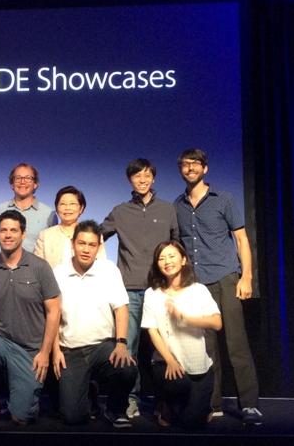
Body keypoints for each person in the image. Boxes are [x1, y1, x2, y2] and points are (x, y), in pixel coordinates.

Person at [174, 149, 262, 425]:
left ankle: (249, 405)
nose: (190, 168)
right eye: (185, 165)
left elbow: (241, 240)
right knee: (207, 347)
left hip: (225, 277)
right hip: (197, 283)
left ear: (205, 168)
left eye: (195, 164)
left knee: (236, 343)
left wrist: (247, 277)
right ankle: (212, 404)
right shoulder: (178, 205)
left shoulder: (224, 199)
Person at [0, 210, 61, 426]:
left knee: (22, 417)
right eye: (3, 230)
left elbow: (54, 312)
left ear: (23, 234)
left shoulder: (40, 267)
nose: (8, 235)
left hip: (30, 350)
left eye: (13, 230)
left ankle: (20, 399)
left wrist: (45, 352)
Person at [101, 158, 179, 418]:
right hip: (130, 290)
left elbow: (177, 246)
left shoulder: (167, 209)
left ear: (153, 178)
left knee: (163, 348)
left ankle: (163, 401)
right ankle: (130, 400)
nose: (142, 180)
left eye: (147, 175)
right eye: (137, 176)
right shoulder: (120, 211)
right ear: (130, 180)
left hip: (161, 289)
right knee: (129, 348)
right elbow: (96, 237)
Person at [53, 220, 137, 427]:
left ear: (99, 247)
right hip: (71, 350)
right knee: (73, 417)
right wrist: (55, 350)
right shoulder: (58, 272)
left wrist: (121, 343)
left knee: (126, 368)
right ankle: (89, 392)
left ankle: (115, 410)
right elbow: (52, 315)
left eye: (92, 245)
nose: (86, 249)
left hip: (103, 347)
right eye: (82, 243)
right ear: (73, 244)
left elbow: (121, 308)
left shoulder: (109, 270)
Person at [141, 240, 222, 428]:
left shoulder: (198, 290)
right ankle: (165, 405)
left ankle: (198, 407)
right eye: (161, 258)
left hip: (198, 366)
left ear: (183, 260)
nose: (167, 261)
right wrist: (170, 360)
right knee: (176, 390)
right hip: (166, 363)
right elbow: (152, 330)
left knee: (192, 423)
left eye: (171, 256)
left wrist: (183, 318)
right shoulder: (152, 293)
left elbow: (216, 323)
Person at [0, 162, 57, 252]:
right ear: (12, 184)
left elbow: (54, 246)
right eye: (18, 178)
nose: (22, 182)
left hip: (35, 261)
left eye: (28, 178)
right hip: (3, 261)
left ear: (35, 184)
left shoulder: (49, 214)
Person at [34, 186, 105, 269]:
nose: (67, 208)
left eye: (72, 204)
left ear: (81, 208)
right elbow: (37, 268)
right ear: (57, 208)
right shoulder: (45, 235)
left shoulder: (93, 235)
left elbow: (101, 265)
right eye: (63, 204)